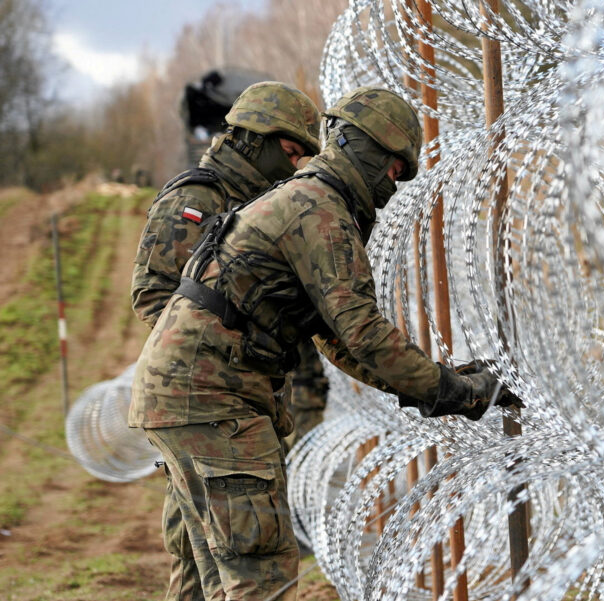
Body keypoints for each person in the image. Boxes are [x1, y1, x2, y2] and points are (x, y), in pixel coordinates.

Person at [129, 86, 518, 600]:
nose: (394, 182)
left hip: (187, 400)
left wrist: (443, 384)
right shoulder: (322, 212)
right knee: (260, 573)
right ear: (365, 150)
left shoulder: (305, 199)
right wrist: (456, 391)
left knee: (212, 582)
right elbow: (362, 330)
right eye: (394, 167)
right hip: (216, 403)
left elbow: (339, 342)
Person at [130, 80, 321, 601]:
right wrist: (223, 354)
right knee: (202, 558)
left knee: (222, 558)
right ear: (253, 139)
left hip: (241, 404)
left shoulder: (261, 202)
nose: (296, 165)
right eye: (290, 152)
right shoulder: (198, 197)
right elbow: (153, 298)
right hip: (203, 406)